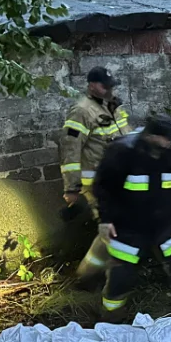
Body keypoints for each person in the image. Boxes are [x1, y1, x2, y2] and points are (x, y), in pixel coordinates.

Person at [92, 115, 171, 318]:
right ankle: (110, 319)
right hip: (128, 227)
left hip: (166, 224)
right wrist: (105, 220)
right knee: (120, 277)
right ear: (151, 136)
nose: (170, 143)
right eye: (166, 139)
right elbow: (103, 188)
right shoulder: (123, 152)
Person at [59, 66, 131, 281]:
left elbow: (125, 139)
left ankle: (93, 274)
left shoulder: (113, 107)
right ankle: (101, 279)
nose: (109, 90)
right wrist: (71, 187)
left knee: (116, 227)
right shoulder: (81, 111)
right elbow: (70, 150)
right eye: (104, 86)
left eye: (111, 86)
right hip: (98, 182)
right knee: (112, 230)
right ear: (91, 86)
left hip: (119, 179)